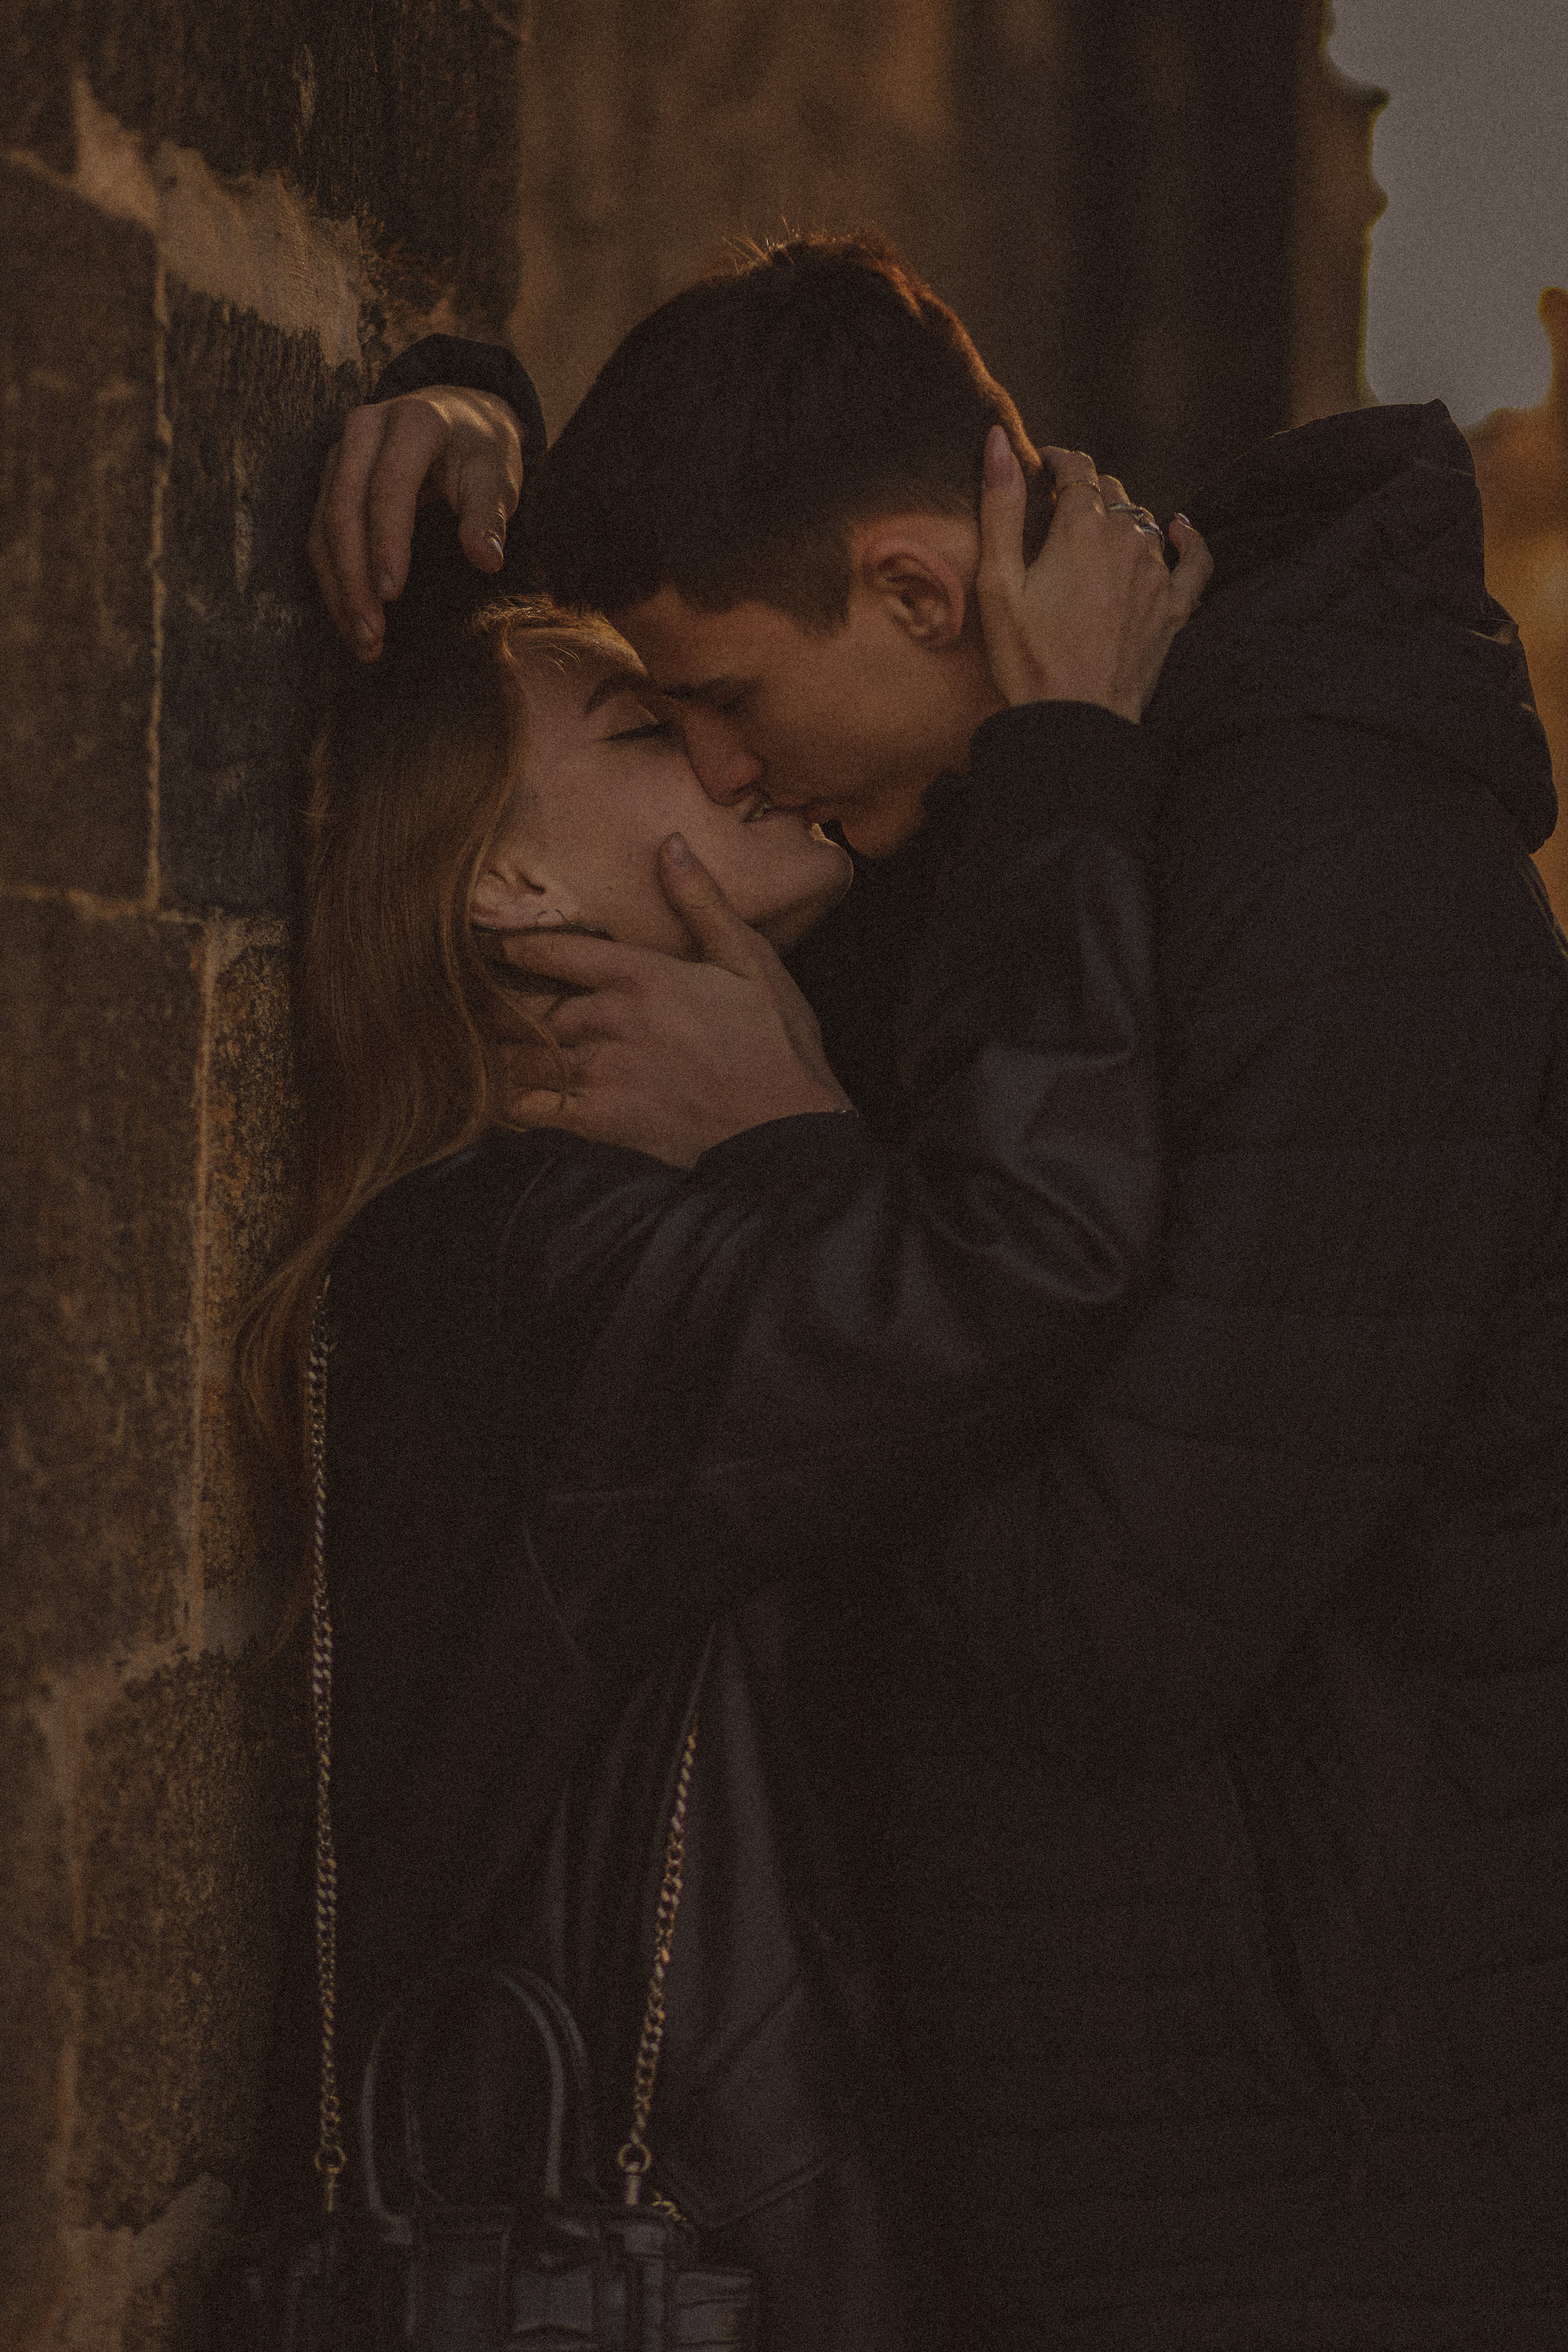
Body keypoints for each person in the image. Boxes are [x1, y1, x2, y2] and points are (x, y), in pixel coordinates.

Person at [312, 232, 1568, 2346]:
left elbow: (1112, 1607)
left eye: (720, 700)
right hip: (1058, 2136)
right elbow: (493, 791)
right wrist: (463, 425)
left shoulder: (1334, 866)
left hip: (1310, 2167)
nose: (731, 769)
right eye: (671, 716)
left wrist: (802, 1155)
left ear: (915, 590)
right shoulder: (952, 819)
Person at [250, 397, 1202, 2350]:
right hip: (672, 2239)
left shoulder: (561, 1222)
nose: (720, 754)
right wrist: (1074, 762)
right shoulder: (513, 1263)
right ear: (508, 890)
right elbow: (1007, 1269)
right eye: (641, 739)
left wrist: (461, 392)